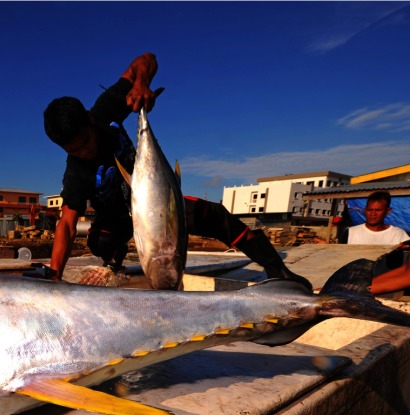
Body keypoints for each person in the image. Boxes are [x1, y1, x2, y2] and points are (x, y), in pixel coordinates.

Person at [37, 52, 312, 291]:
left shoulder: (103, 110)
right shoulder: (76, 172)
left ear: (88, 119)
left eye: (85, 143)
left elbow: (146, 60)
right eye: (73, 150)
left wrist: (141, 84)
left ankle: (277, 268)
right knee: (100, 241)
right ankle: (115, 260)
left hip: (155, 201)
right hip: (118, 217)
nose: (83, 153)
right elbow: (67, 225)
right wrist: (54, 275)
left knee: (215, 216)